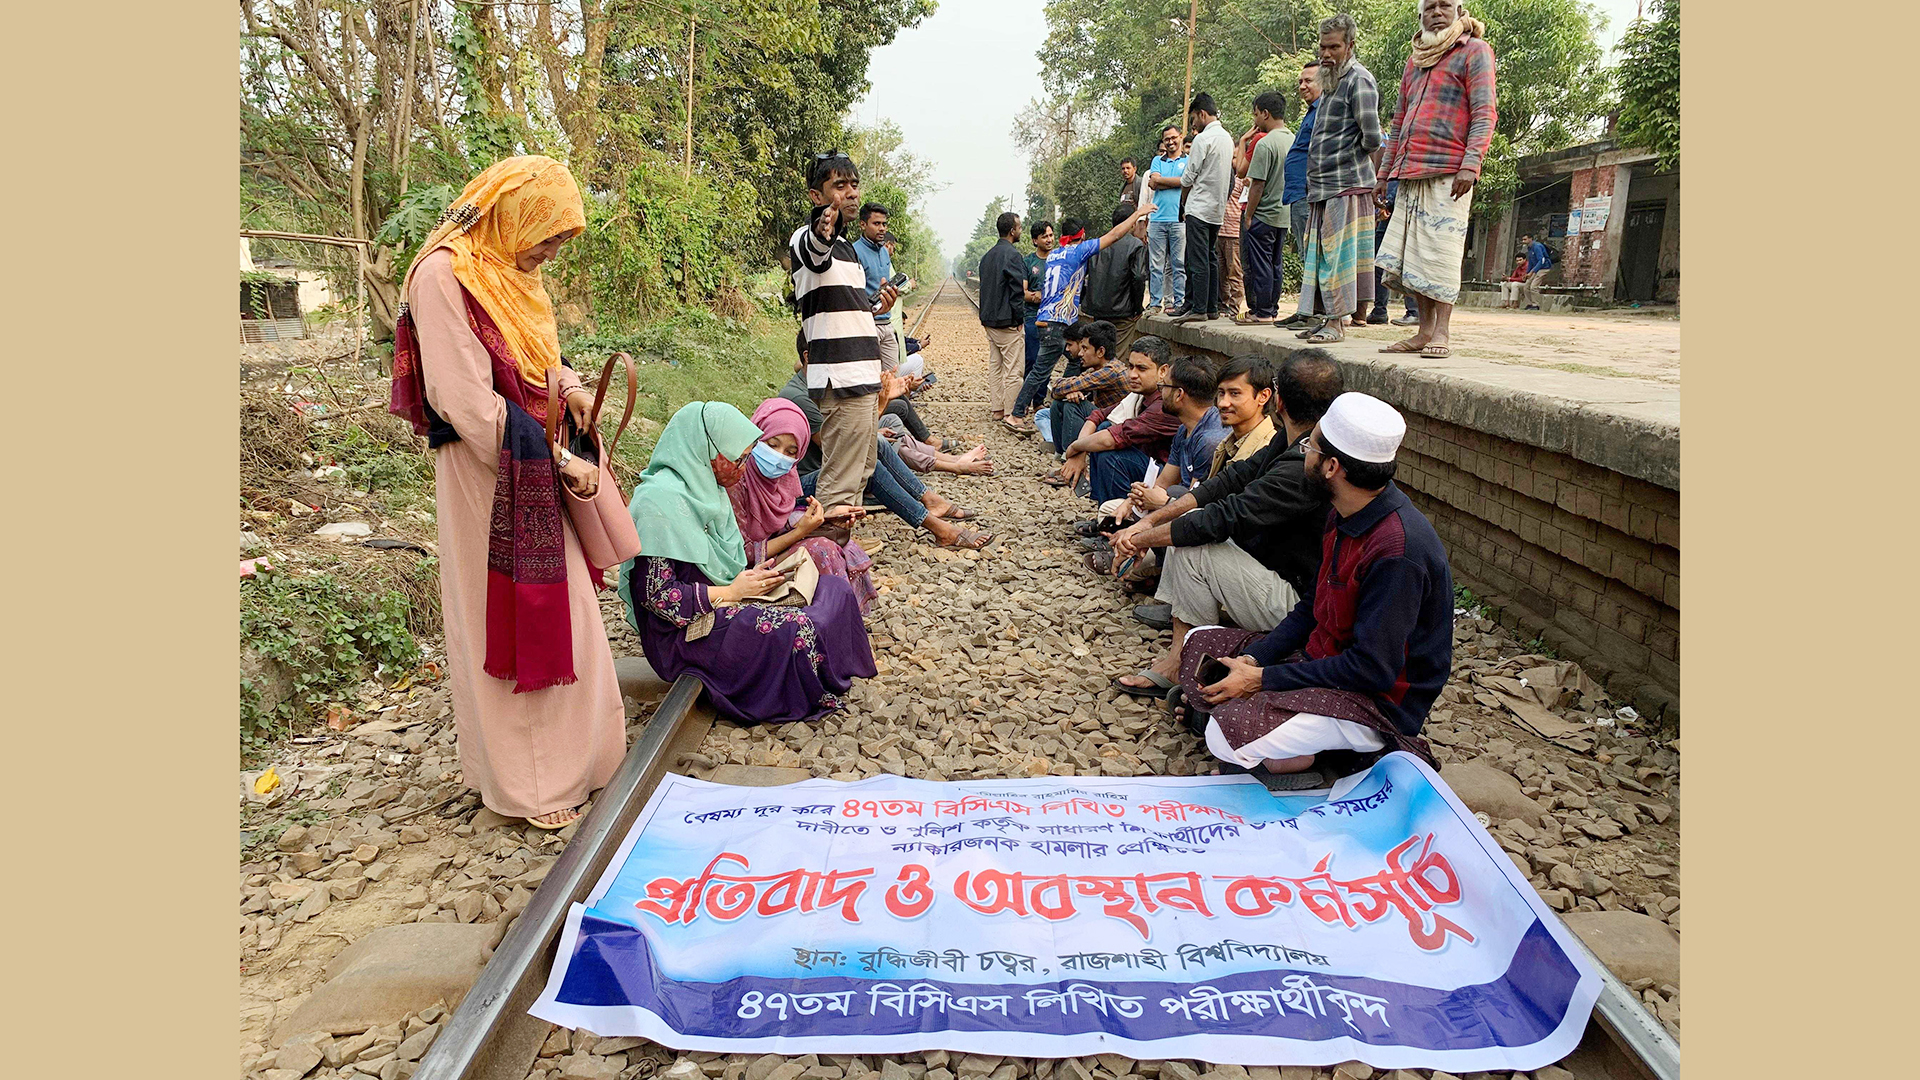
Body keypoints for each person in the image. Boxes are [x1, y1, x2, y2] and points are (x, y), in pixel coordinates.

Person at [387, 155, 620, 830]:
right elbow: (459, 396)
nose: (550, 251)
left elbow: (542, 357)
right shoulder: (443, 273)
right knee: (511, 614)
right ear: (512, 215)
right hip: (489, 467)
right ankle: (532, 789)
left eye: (560, 241)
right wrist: (552, 462)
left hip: (529, 454)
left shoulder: (511, 273)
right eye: (548, 235)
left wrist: (571, 391)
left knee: (567, 606)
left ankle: (586, 761)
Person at [1172, 392, 1450, 790]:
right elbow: (1312, 609)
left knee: (1226, 731)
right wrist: (1253, 660)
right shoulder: (1345, 512)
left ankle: (1341, 754)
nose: (1304, 455)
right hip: (1322, 658)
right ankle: (1287, 750)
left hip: (1375, 700)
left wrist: (1261, 679)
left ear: (1331, 466)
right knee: (1200, 642)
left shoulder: (1397, 551)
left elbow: (1372, 670)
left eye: (1309, 447)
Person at [621, 401, 878, 727]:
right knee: (795, 627)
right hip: (683, 630)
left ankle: (827, 674)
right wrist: (730, 592)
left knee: (835, 589)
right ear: (707, 450)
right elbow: (658, 597)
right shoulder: (658, 501)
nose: (744, 468)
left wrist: (746, 580)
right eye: (738, 458)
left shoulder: (709, 490)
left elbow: (727, 559)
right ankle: (797, 689)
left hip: (725, 595)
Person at [1109, 351, 1342, 698]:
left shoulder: (1305, 463)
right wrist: (1152, 523)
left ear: (1275, 399)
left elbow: (1226, 515)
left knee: (1193, 545)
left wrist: (1147, 535)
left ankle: (1186, 662)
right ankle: (1186, 635)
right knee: (1187, 523)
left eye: (1234, 393)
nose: (1224, 403)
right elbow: (1229, 482)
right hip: (1280, 575)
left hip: (1301, 606)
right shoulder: (1294, 440)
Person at [1374, 0, 1498, 358]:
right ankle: (1423, 331)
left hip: (1449, 170)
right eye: (1430, 7)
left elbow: (1484, 112)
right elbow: (1398, 123)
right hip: (1410, 170)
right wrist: (1384, 174)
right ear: (1421, 15)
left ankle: (1442, 332)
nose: (1437, 12)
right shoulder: (1415, 62)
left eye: (1445, 5)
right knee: (1415, 257)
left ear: (1460, 11)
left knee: (1441, 252)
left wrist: (1470, 166)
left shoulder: (1475, 51)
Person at [780, 358, 994, 550]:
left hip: (823, 468)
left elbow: (850, 435)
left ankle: (930, 499)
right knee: (871, 464)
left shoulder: (818, 387)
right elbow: (844, 449)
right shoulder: (802, 398)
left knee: (880, 442)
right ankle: (940, 528)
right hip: (800, 484)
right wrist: (882, 403)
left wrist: (882, 400)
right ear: (810, 356)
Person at [789, 152, 898, 518]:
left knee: (861, 469)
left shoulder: (847, 251)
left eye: (854, 185)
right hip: (842, 377)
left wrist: (874, 308)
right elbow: (815, 248)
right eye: (839, 186)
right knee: (840, 477)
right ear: (816, 197)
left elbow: (843, 310)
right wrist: (824, 226)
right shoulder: (807, 239)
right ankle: (828, 557)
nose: (850, 193)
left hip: (862, 376)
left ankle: (841, 547)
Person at [1009, 204, 1155, 432]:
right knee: (1042, 370)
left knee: (1075, 360)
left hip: (1050, 319)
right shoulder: (1079, 252)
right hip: (1057, 321)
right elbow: (1116, 234)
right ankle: (1016, 415)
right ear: (1083, 235)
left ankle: (1065, 395)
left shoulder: (1055, 253)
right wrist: (1137, 214)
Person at [730, 398, 879, 614]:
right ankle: (832, 620)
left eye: (791, 452)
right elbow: (742, 555)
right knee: (821, 549)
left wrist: (826, 519)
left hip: (770, 555)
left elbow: (782, 524)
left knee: (843, 546)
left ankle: (842, 620)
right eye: (772, 445)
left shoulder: (784, 479)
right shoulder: (736, 480)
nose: (779, 457)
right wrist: (801, 532)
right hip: (743, 573)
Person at [1294, 15, 1383, 344]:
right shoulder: (1330, 81)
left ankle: (1336, 323)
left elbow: (1372, 137)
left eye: (1334, 47)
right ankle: (1324, 318)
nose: (1326, 54)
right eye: (1322, 47)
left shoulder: (1359, 80)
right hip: (1322, 186)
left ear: (1350, 46)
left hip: (1345, 184)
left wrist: (1347, 156)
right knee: (1318, 256)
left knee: (1337, 257)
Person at [1058, 335, 1181, 505]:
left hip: (1167, 476)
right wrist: (1080, 454)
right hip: (1147, 461)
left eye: (1141, 369)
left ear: (1163, 371)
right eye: (1130, 367)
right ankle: (1104, 510)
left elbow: (1114, 438)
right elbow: (1099, 414)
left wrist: (1074, 447)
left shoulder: (1163, 406)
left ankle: (1119, 520)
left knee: (1110, 453)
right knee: (1103, 426)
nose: (1132, 374)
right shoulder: (1140, 395)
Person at [1149, 94, 1232, 323]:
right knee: (1209, 257)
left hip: (1198, 207)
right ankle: (1210, 306)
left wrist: (1183, 204)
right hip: (1216, 208)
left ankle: (1198, 308)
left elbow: (1187, 178)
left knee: (1196, 260)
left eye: (1194, 118)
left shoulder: (1203, 140)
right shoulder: (1226, 138)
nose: (1193, 125)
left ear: (1202, 114)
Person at [1275, 63, 1325, 330]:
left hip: (1309, 192)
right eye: (1300, 82)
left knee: (1312, 254)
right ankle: (1306, 309)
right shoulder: (1310, 113)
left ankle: (1314, 313)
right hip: (1298, 193)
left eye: (1308, 81)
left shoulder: (1323, 112)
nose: (1302, 86)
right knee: (1307, 253)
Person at [1041, 319, 1130, 466]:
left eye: (1085, 349)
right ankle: (1060, 453)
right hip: (1105, 417)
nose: (1080, 353)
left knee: (1074, 405)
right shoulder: (1096, 370)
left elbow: (1060, 386)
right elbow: (1057, 389)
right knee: (1059, 403)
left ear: (1101, 351)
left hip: (1117, 424)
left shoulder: (1110, 371)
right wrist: (1070, 391)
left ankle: (1071, 457)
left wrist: (1070, 391)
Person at [1240, 91, 1292, 326]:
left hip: (1264, 214)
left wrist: (1249, 215)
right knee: (1275, 264)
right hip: (1285, 213)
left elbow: (1257, 184)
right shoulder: (1293, 139)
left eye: (1256, 113)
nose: (1255, 119)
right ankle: (1272, 309)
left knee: (1260, 264)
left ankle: (1261, 312)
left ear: (1265, 113)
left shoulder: (1265, 143)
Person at [1081, 201, 1151, 361]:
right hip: (1123, 312)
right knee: (1116, 357)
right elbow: (1139, 277)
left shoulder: (1099, 243)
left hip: (1098, 310)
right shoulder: (1136, 245)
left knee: (1100, 355)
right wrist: (1137, 307)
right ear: (1131, 223)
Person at [975, 211, 1027, 421]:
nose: (1020, 230)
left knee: (996, 366)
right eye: (1019, 227)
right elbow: (1016, 291)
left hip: (989, 320)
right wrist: (1019, 319)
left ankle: (997, 409)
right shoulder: (1013, 255)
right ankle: (1010, 413)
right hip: (1007, 322)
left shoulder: (987, 256)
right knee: (1014, 370)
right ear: (1012, 230)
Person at [852, 202, 902, 371]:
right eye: (876, 223)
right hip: (867, 324)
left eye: (884, 224)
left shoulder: (884, 252)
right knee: (870, 377)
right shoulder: (853, 252)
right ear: (862, 224)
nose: (882, 228)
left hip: (887, 324)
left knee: (892, 376)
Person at [1365, 181, 1422, 326]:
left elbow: (1404, 180)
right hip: (1388, 212)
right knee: (1380, 262)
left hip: (1404, 210)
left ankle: (1414, 312)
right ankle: (1379, 311)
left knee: (1407, 261)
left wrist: (1388, 202)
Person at [1145, 127, 1189, 313]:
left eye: (1173, 138)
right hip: (1157, 219)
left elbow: (1187, 181)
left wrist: (1163, 181)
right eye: (1166, 139)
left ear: (1180, 137)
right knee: (1156, 266)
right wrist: (1177, 181)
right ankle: (1155, 303)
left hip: (1179, 218)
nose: (1170, 142)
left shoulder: (1188, 160)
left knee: (1178, 264)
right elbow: (1153, 182)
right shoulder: (1157, 160)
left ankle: (1179, 303)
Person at [1218, 143, 1249, 319]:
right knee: (1221, 273)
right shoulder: (1226, 176)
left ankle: (1234, 306)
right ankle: (1223, 304)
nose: (1233, 161)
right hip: (1220, 230)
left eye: (1237, 157)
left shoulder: (1244, 179)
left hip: (1234, 231)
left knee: (1234, 272)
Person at [1023, 221, 1051, 379]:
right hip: (1033, 316)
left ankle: (1040, 402)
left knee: (1047, 359)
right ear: (1035, 240)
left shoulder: (1058, 258)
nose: (1049, 240)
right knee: (1032, 358)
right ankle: (1027, 400)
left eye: (1051, 235)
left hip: (1054, 318)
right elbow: (1023, 292)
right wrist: (1036, 297)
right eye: (1044, 237)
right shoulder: (1028, 262)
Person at [1521, 233, 1553, 310]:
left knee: (1533, 286)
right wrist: (1527, 272)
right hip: (1535, 268)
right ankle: (1530, 304)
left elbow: (1541, 260)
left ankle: (1536, 305)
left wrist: (1532, 272)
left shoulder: (1537, 246)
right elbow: (1531, 261)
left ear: (1530, 239)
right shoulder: (1529, 248)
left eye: (1525, 239)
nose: (1523, 241)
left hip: (1543, 268)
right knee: (1526, 287)